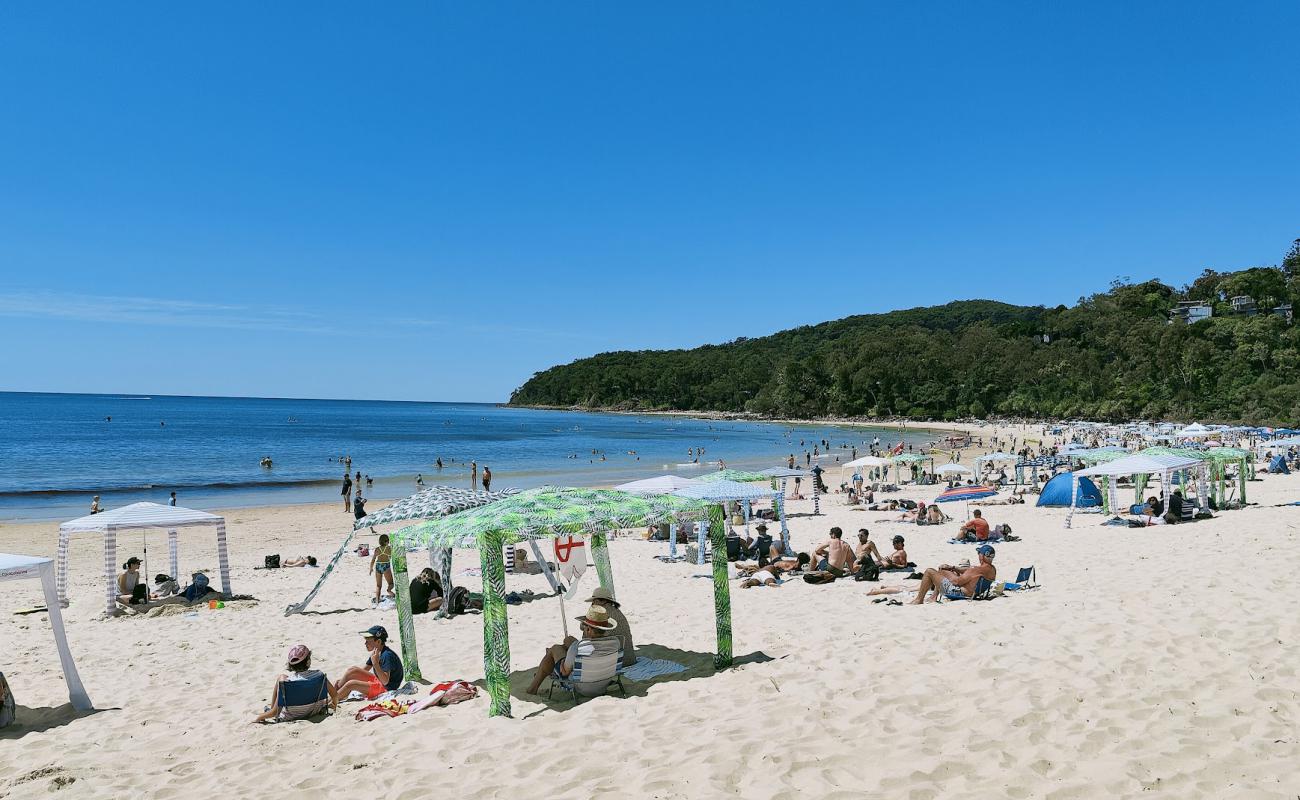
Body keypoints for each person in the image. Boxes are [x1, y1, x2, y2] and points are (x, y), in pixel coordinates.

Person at [525, 604, 622, 695]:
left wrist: (563, 658)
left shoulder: (577, 647)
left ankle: (532, 688)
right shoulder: (615, 642)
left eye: (584, 626)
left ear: (588, 630)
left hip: (581, 687)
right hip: (602, 684)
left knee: (555, 649)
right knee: (568, 640)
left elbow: (565, 672)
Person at [252, 644, 339, 723]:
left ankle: (271, 707)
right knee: (282, 678)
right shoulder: (319, 675)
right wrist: (333, 704)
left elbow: (275, 712)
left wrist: (260, 717)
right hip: (313, 711)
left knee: (281, 677)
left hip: (291, 716)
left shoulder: (287, 684)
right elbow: (335, 696)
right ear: (308, 662)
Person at [910, 545, 997, 604]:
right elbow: (971, 571)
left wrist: (948, 573)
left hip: (958, 593)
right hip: (974, 593)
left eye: (979, 553)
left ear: (982, 556)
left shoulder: (975, 570)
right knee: (944, 571)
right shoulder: (992, 570)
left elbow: (957, 582)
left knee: (930, 571)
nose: (978, 555)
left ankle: (919, 600)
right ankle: (933, 597)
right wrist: (953, 568)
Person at [335, 626, 404, 700]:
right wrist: (344, 680)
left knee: (351, 684)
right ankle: (334, 692)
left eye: (368, 641)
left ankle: (331, 702)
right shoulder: (377, 652)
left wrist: (375, 664)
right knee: (353, 670)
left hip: (386, 688)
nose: (365, 643)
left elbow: (385, 681)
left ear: (378, 641)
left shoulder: (387, 655)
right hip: (379, 680)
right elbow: (364, 670)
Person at [586, 586, 636, 666]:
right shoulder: (617, 611)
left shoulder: (599, 614)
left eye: (593, 602)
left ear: (599, 601)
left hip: (614, 663)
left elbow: (586, 636)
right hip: (628, 658)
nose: (592, 604)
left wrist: (590, 613)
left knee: (570, 643)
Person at [370, 534, 395, 603]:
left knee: (378, 585)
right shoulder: (389, 549)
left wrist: (371, 569)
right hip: (386, 566)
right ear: (386, 541)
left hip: (378, 565)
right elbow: (393, 557)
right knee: (391, 584)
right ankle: (389, 591)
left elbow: (373, 560)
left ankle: (377, 602)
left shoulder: (377, 549)